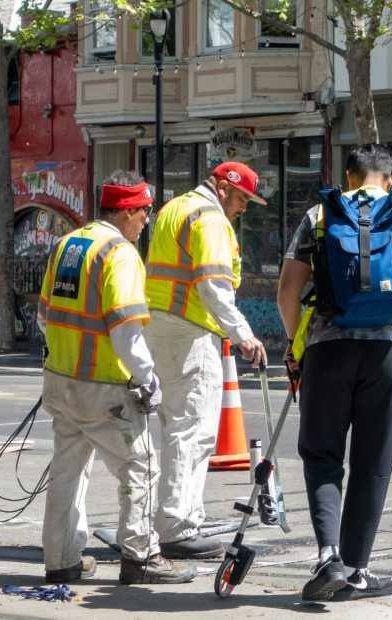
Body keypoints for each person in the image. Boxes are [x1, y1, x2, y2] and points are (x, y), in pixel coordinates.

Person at [278, 144, 392, 601]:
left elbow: (287, 292)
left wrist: (298, 343)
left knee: (322, 456)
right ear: (390, 180)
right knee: (373, 463)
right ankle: (357, 569)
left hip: (326, 349)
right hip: (389, 354)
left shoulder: (320, 215)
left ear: (349, 177)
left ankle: (328, 556)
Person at [37, 171, 195, 585]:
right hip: (105, 388)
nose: (147, 219)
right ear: (126, 211)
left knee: (67, 472)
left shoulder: (66, 244)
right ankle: (140, 559)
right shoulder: (120, 254)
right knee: (140, 468)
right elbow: (125, 332)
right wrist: (149, 379)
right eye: (144, 211)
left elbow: (43, 316)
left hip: (61, 381)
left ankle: (61, 561)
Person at [144, 162, 268, 560]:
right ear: (222, 187)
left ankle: (176, 518)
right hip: (190, 330)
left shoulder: (173, 209)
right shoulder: (210, 219)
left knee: (175, 429)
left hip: (160, 327)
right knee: (192, 430)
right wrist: (243, 335)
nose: (243, 208)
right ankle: (179, 527)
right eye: (242, 198)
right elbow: (214, 286)